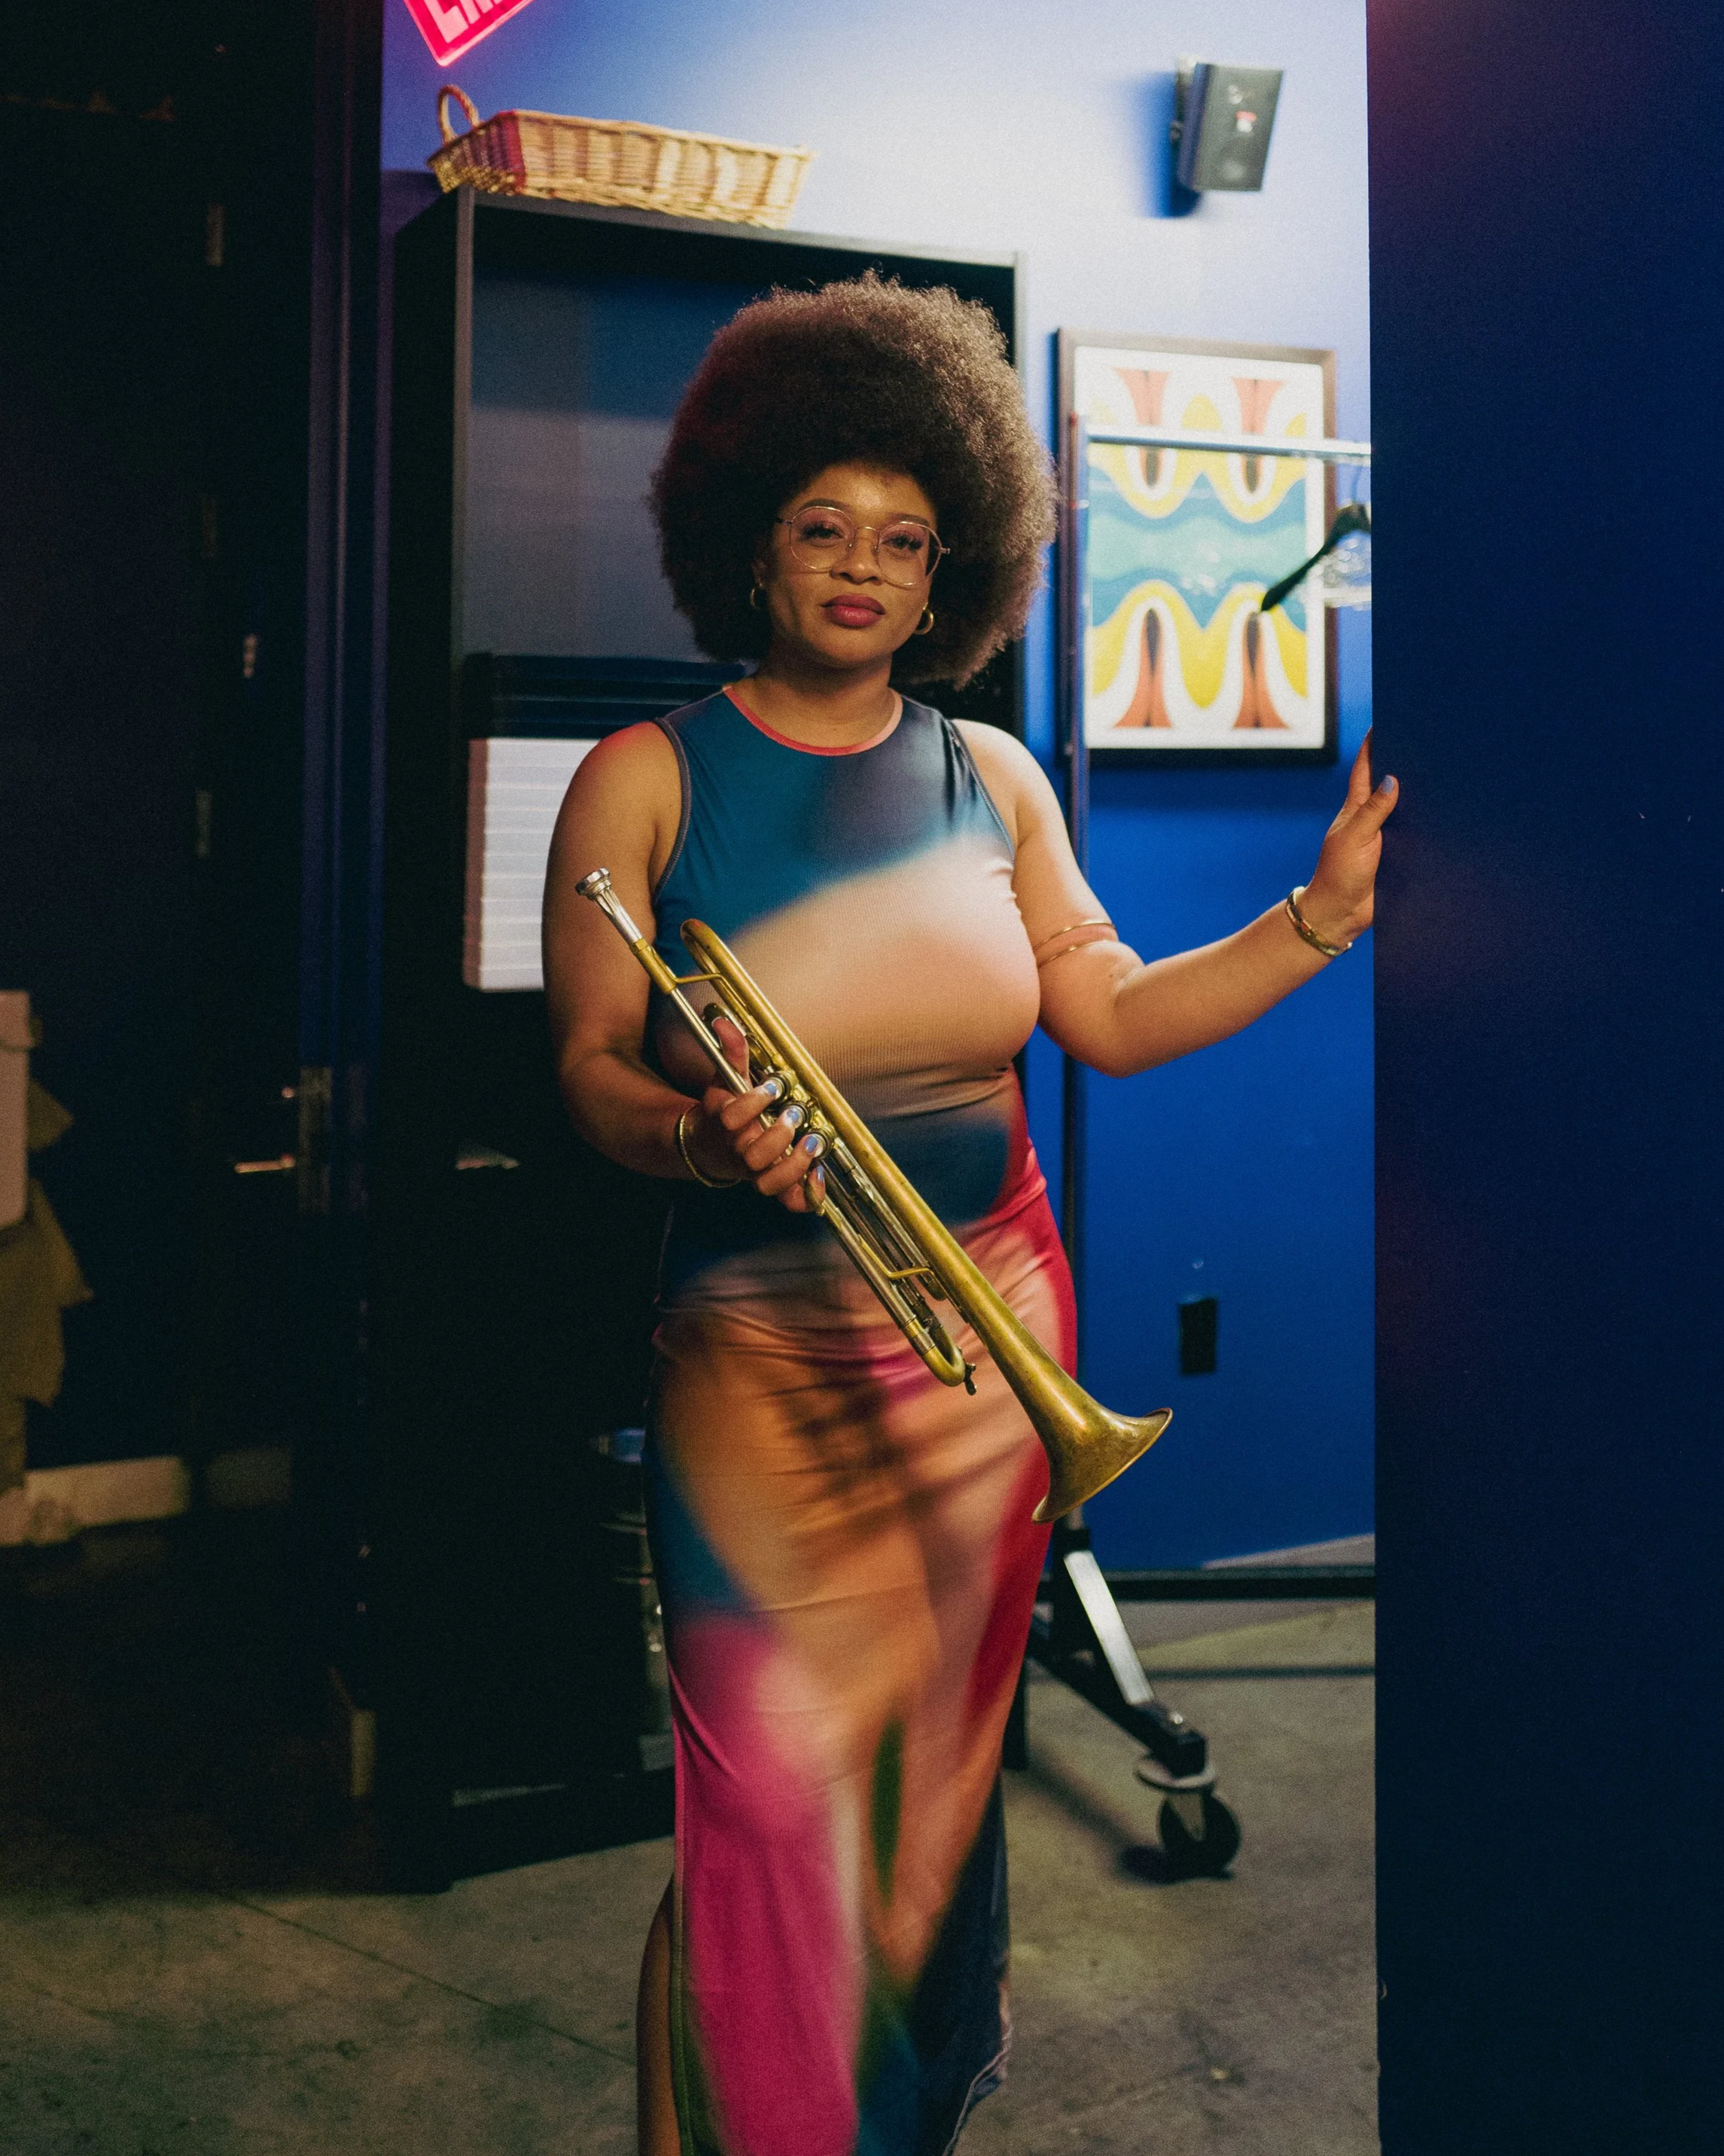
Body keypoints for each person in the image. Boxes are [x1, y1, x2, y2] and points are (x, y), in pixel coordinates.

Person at [542, 273, 1394, 2156]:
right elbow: (596, 1073)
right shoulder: (642, 780)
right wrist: (700, 1141)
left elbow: (1104, 1012)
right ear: (746, 547)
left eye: (905, 540)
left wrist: (1317, 919)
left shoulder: (988, 775)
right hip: (760, 1360)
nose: (862, 567)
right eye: (822, 528)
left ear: (953, 576)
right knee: (767, 1795)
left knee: (930, 1792)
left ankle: (894, 2124)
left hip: (985, 1348)